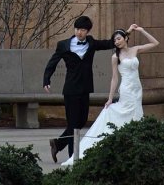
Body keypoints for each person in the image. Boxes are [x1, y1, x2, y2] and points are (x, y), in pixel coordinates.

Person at [61, 24, 159, 166]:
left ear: (125, 38)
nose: (116, 42)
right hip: (126, 89)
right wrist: (110, 98)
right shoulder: (115, 57)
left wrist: (141, 30)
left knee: (136, 113)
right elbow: (114, 78)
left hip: (137, 89)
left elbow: (155, 43)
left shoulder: (135, 50)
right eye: (114, 41)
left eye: (118, 39)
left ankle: (135, 148)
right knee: (126, 113)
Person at [43, 15, 114, 163]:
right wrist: (46, 80)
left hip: (85, 89)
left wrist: (125, 33)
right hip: (70, 89)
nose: (79, 32)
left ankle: (58, 143)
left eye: (82, 30)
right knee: (73, 124)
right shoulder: (63, 45)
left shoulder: (92, 43)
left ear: (87, 31)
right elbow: (52, 62)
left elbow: (109, 43)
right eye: (77, 29)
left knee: (81, 121)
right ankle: (72, 158)